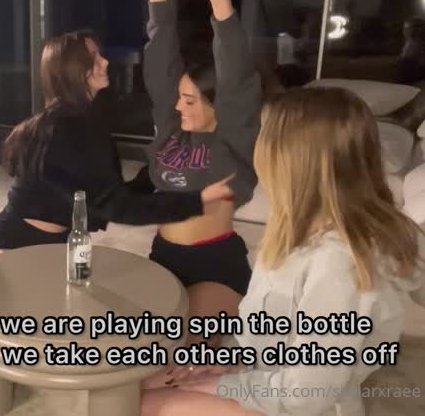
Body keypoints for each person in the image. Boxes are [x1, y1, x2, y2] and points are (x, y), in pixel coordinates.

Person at [141, 87, 425, 416]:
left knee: (134, 403)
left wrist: (224, 384)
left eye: (262, 139)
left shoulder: (337, 263)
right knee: (132, 379)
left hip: (297, 405)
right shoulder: (299, 226)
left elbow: (306, 395)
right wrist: (230, 362)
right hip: (263, 372)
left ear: (290, 159)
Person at [0, 29, 235, 256]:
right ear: (73, 70)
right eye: (93, 57)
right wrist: (198, 201)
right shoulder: (66, 128)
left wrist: (158, 168)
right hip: (17, 242)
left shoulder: (81, 117)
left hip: (57, 241)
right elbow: (118, 208)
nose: (105, 62)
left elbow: (109, 194)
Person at [143, 0, 260, 349]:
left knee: (169, 355)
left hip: (214, 265)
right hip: (162, 256)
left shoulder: (234, 141)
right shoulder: (173, 131)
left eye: (191, 100)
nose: (179, 107)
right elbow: (160, 65)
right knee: (125, 350)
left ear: (218, 105)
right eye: (180, 98)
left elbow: (237, 76)